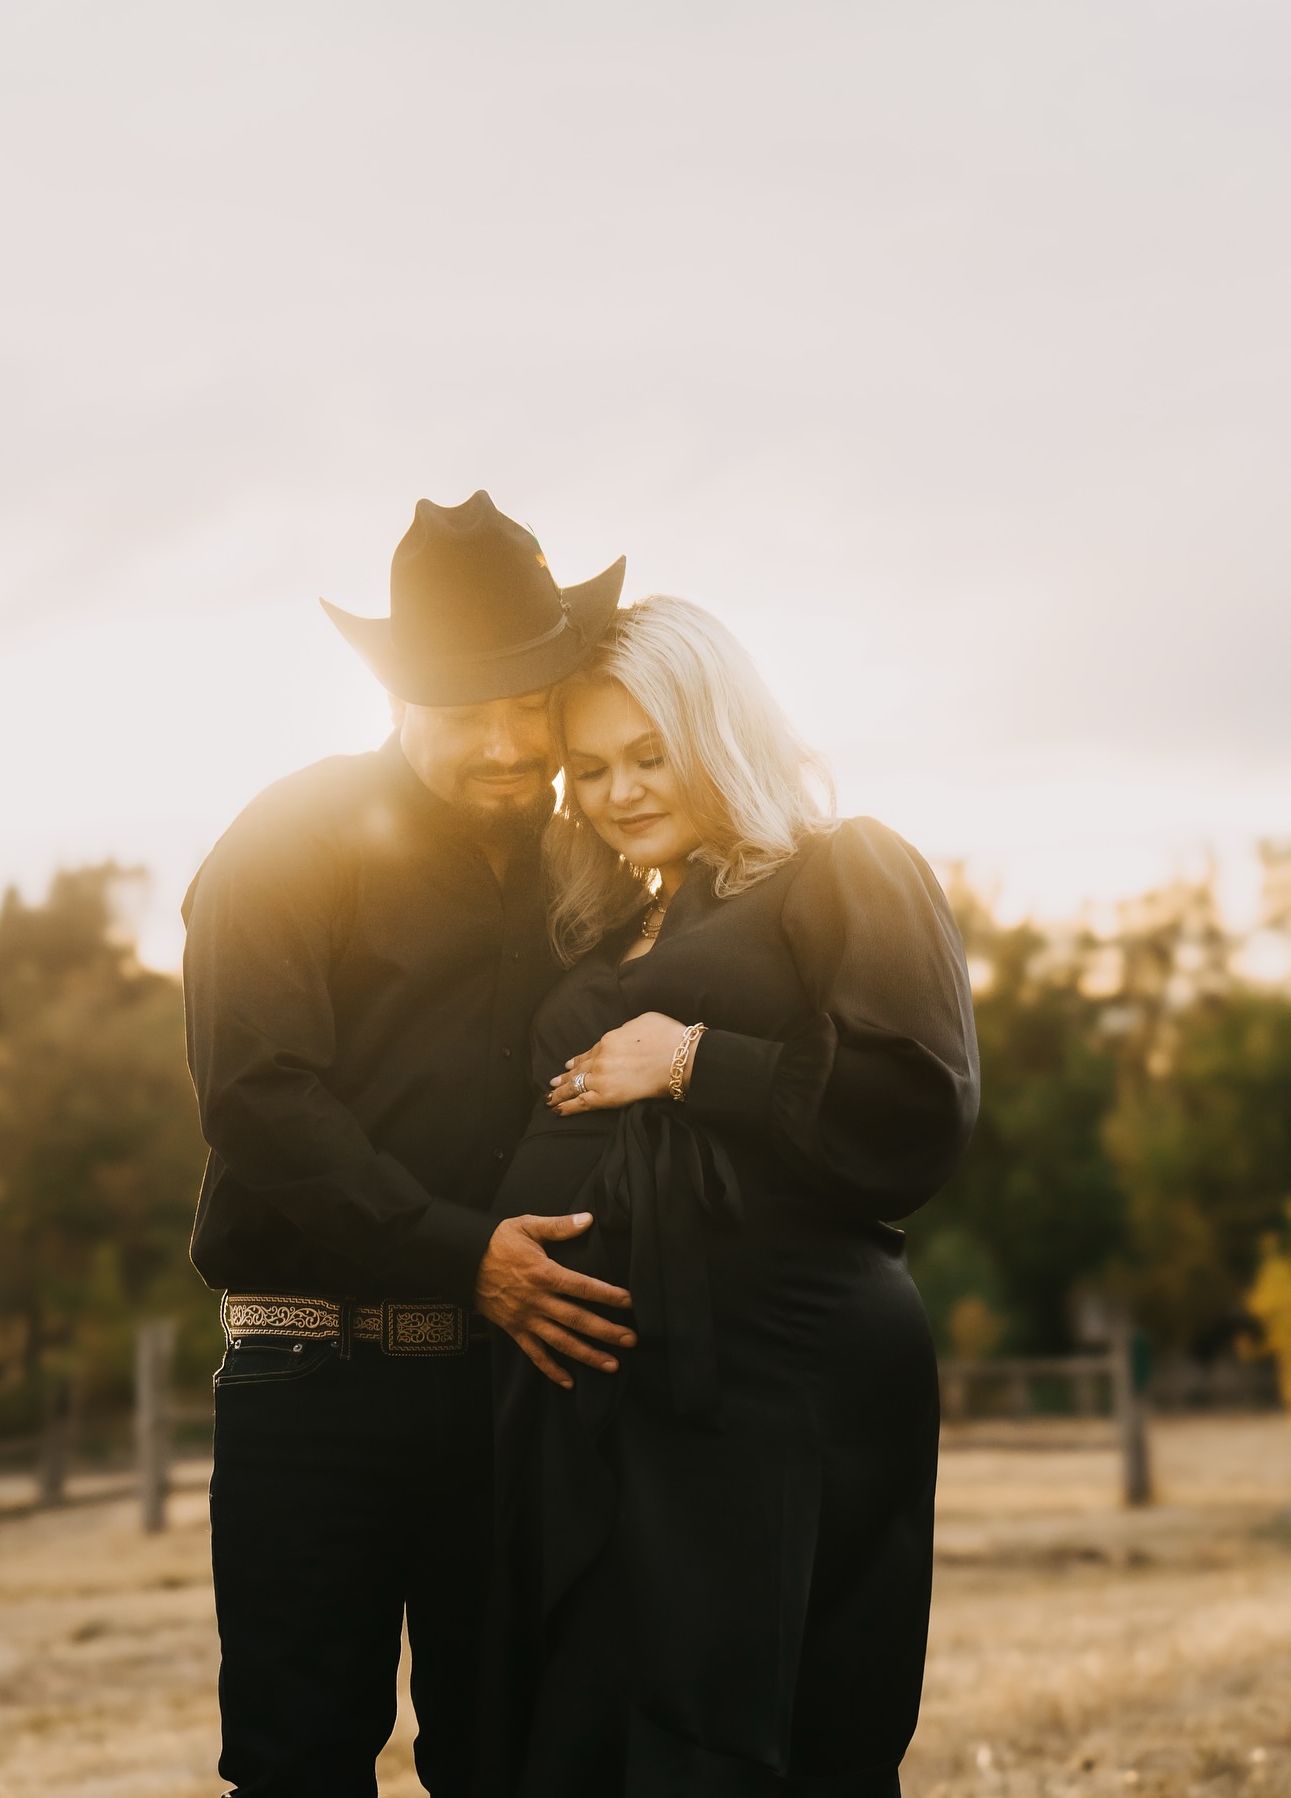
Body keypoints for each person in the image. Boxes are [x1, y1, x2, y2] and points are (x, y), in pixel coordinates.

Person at [181, 490, 639, 1798]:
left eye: (531, 703)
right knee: (300, 1759)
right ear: (394, 699)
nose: (509, 742)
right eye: (466, 709)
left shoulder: (578, 862)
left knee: (512, 1756)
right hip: (313, 1385)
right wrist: (464, 1259)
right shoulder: (284, 842)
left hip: (509, 1392)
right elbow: (262, 1100)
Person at [484, 596, 981, 1796]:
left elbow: (918, 1105)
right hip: (613, 1394)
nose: (619, 792)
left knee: (744, 1732)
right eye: (591, 767)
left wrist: (696, 1057)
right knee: (603, 1730)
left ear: (721, 730)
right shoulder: (606, 923)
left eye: (651, 755)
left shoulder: (845, 868)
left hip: (778, 1377)